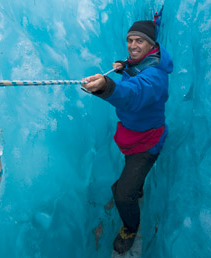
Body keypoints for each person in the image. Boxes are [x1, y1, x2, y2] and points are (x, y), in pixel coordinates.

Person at [81, 20, 173, 254]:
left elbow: (134, 93)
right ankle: (138, 187)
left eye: (139, 41)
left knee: (122, 193)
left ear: (151, 45)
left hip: (147, 142)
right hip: (133, 135)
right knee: (131, 179)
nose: (133, 45)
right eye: (130, 40)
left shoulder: (156, 77)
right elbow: (135, 68)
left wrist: (106, 86)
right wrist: (124, 66)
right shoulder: (145, 61)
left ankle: (130, 227)